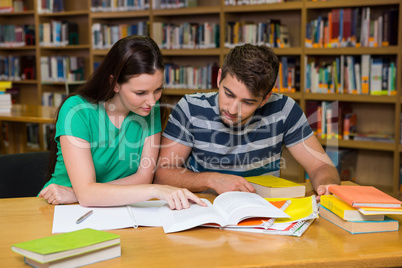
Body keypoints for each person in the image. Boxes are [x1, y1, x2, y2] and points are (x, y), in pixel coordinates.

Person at [155, 43, 340, 200]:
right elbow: (163, 173)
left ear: (266, 98)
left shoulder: (284, 109)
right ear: (219, 77)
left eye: (248, 102)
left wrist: (326, 187)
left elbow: (321, 166)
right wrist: (211, 179)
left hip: (262, 214)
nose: (232, 110)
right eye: (228, 94)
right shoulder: (190, 108)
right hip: (207, 209)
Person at [39, 35, 206, 210]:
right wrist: (154, 190)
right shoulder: (76, 111)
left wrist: (81, 193)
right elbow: (88, 194)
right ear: (115, 84)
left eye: (158, 90)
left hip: (111, 208)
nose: (152, 101)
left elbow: (143, 178)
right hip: (59, 208)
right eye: (140, 93)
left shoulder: (149, 110)